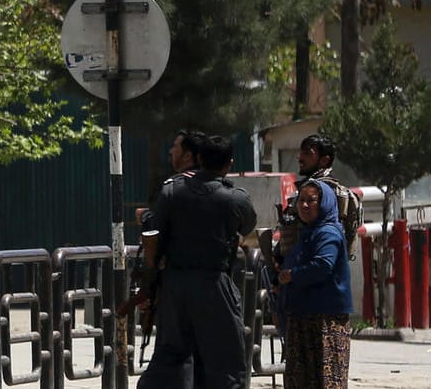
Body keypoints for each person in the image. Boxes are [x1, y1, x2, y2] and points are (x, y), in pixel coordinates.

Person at [137, 133, 257, 389]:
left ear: (199, 159)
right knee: (225, 360)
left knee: (170, 355)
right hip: (215, 284)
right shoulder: (236, 199)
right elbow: (248, 225)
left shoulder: (172, 192)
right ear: (229, 164)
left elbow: (155, 231)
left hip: (175, 285)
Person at [275, 180, 351, 389]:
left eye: (312, 200)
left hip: (324, 320)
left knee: (325, 379)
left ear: (324, 203)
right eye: (302, 200)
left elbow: (323, 266)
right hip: (303, 316)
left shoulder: (327, 233)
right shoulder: (309, 233)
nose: (305, 205)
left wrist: (292, 275)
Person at [274, 134, 360, 270]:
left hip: (311, 269)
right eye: (301, 153)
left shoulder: (323, 192)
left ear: (324, 160)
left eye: (307, 154)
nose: (300, 158)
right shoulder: (313, 188)